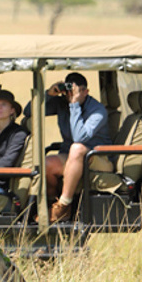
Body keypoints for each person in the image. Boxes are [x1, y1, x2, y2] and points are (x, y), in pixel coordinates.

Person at [44, 71, 113, 223]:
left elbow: (79, 137)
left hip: (98, 158)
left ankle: (64, 205)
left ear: (86, 92)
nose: (71, 94)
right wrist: (49, 94)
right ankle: (50, 205)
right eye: (69, 90)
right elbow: (30, 112)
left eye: (77, 91)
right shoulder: (63, 103)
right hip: (73, 157)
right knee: (47, 164)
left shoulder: (97, 110)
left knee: (77, 148)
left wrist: (74, 105)